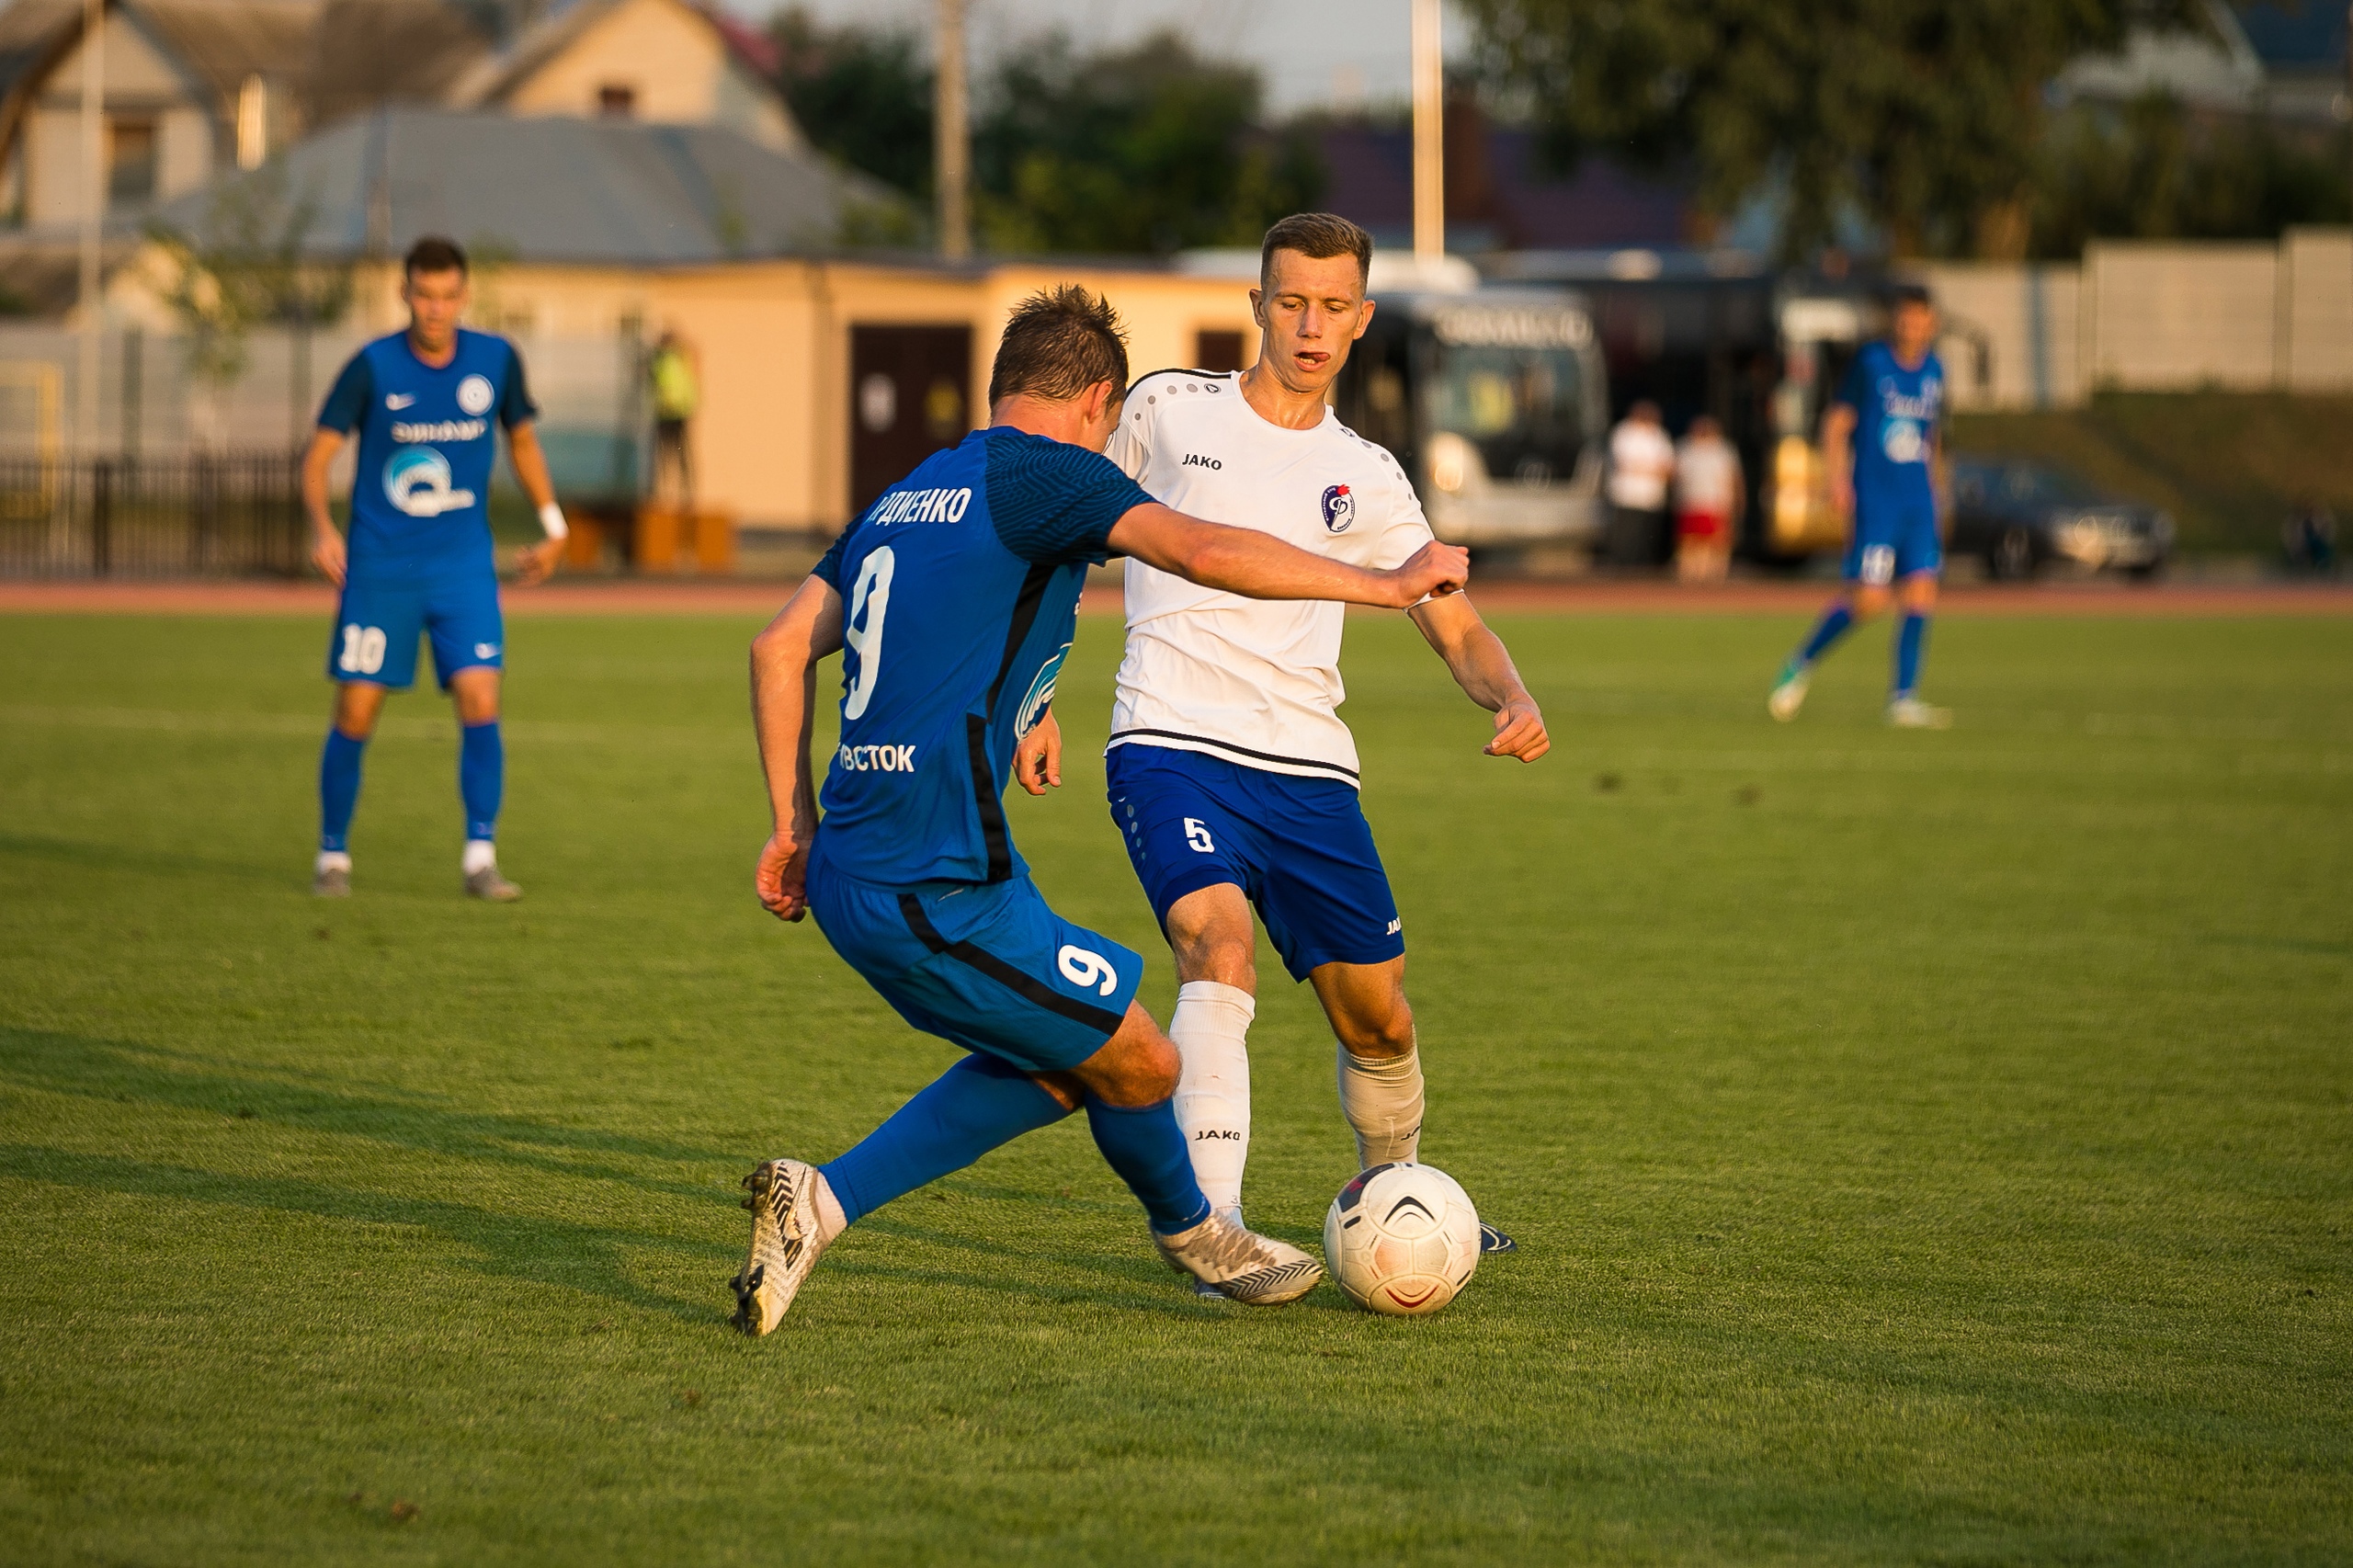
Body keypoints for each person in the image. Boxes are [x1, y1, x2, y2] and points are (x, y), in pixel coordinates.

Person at [733, 284, 1471, 1335]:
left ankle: (825, 1200)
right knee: (1142, 1058)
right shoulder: (1053, 472)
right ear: (1096, 401)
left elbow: (776, 647)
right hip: (933, 877)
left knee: (1079, 1056)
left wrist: (792, 823)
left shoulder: (908, 491)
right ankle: (1201, 1236)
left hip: (866, 862)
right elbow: (1206, 552)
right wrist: (1387, 585)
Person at [1010, 212, 1548, 1297]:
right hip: (1168, 740)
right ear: (1256, 304)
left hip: (1308, 771)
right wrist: (1034, 691)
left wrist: (1511, 689)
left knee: (1378, 1016)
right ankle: (1220, 1234)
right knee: (1216, 947)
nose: (1309, 325)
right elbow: (1061, 528)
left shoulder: (1369, 475)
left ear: (1363, 320)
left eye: (1332, 306)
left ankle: (1398, 1195)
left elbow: (1456, 625)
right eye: (1289, 300)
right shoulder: (1164, 409)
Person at [302, 235, 569, 900]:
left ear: (465, 295)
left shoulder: (496, 361)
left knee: (482, 698)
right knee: (356, 712)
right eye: (425, 294)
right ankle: (332, 856)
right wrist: (322, 528)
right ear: (404, 293)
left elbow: (524, 441)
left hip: (462, 570)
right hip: (381, 571)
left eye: (448, 296)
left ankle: (480, 857)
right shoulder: (372, 366)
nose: (436, 308)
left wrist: (554, 526)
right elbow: (317, 457)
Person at [1769, 285, 1952, 729]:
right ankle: (1802, 660)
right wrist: (1837, 479)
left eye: (1920, 318)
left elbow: (1932, 437)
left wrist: (1940, 490)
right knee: (1869, 600)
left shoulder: (1934, 371)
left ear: (1932, 323)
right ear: (1896, 321)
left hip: (1917, 499)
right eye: (1905, 318)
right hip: (1877, 496)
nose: (1912, 326)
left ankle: (1903, 699)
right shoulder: (1872, 364)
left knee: (1922, 592)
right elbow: (1837, 422)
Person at [1673, 415, 1744, 583]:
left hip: (1716, 503)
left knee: (1717, 543)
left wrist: (1737, 502)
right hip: (1691, 502)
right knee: (1690, 543)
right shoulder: (1685, 448)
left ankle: (1714, 578)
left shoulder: (1723, 450)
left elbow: (1733, 478)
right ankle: (1690, 577)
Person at [1606, 400, 1676, 567]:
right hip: (1627, 495)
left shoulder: (1659, 435)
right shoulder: (1623, 432)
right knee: (1626, 533)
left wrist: (1644, 468)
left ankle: (1643, 566)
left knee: (1648, 534)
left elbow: (1668, 466)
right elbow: (1624, 464)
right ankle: (1622, 565)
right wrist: (1651, 469)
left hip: (1651, 495)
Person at [648, 329, 699, 508]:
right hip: (668, 412)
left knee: (677, 455)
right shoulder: (664, 360)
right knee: (666, 456)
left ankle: (685, 495)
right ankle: (667, 495)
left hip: (675, 412)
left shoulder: (675, 358)